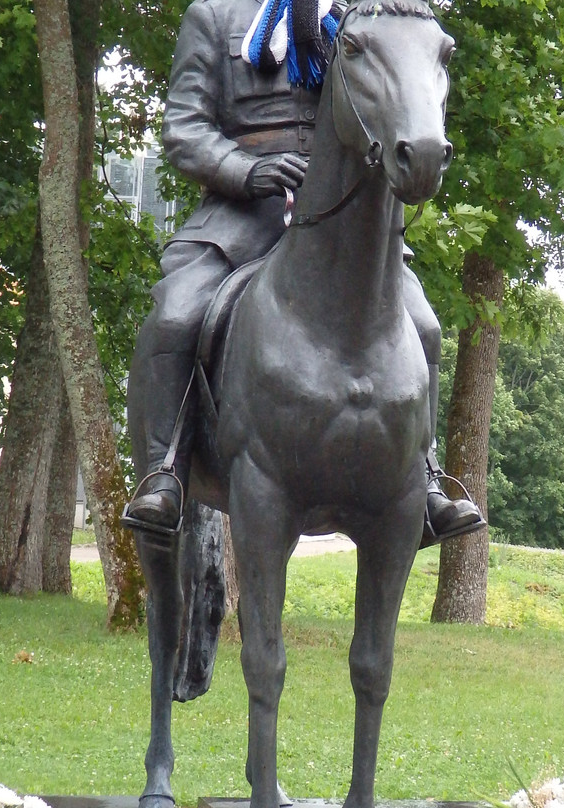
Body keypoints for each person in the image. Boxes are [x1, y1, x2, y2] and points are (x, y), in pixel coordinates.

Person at [125, 0, 483, 545]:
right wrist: (247, 170)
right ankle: (164, 471)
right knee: (175, 314)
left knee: (425, 328)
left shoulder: (360, 19)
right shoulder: (215, 16)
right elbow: (183, 127)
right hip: (239, 213)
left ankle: (426, 475)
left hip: (343, 219)